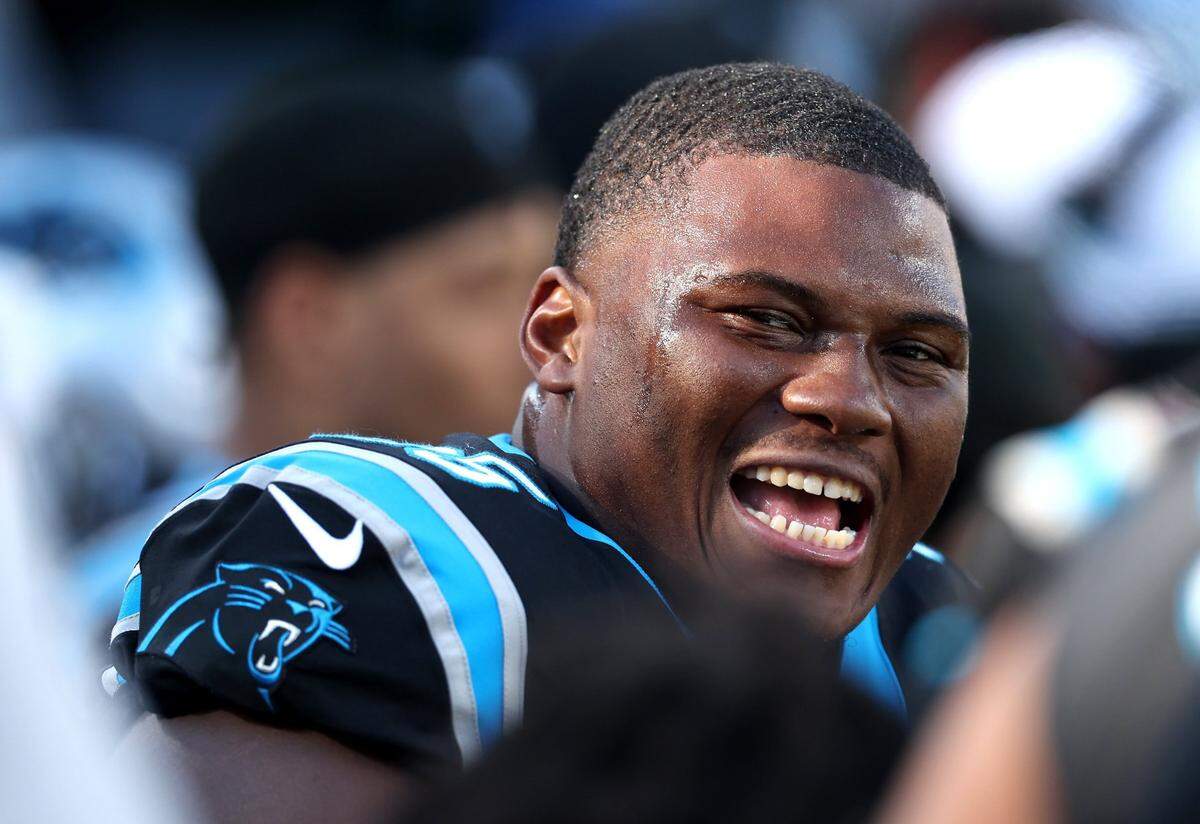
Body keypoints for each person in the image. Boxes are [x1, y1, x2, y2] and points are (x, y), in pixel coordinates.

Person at [108, 63, 973, 821]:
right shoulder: (382, 560)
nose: (849, 400)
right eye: (766, 320)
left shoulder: (939, 632)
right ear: (562, 335)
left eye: (917, 353)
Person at [74, 66, 560, 633]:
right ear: (308, 321)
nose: (550, 336)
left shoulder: (566, 563)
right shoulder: (139, 626)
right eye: (483, 288)